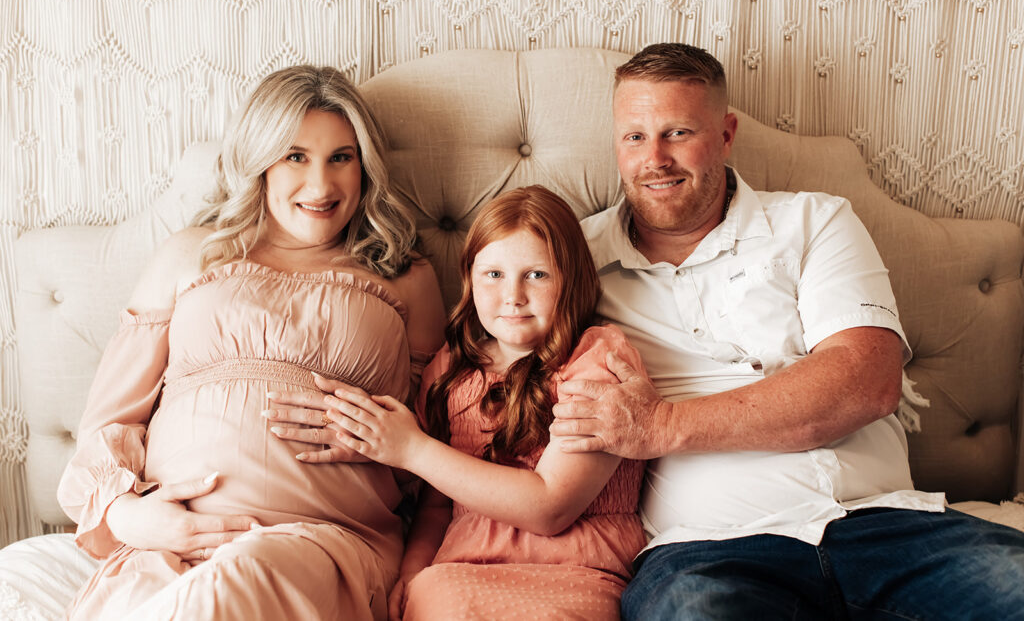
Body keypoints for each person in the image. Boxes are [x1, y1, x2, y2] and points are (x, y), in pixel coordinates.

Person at [549, 43, 1024, 620]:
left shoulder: (814, 220)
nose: (655, 158)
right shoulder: (573, 258)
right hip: (708, 550)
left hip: (885, 525)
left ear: (726, 135)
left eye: (677, 133)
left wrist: (660, 425)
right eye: (634, 137)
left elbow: (867, 381)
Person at [56, 65, 446, 620]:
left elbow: (437, 452)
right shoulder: (190, 254)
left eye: (342, 157)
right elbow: (107, 425)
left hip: (322, 544)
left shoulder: (405, 277)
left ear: (365, 167)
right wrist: (129, 517)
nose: (321, 186)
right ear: (259, 161)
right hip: (173, 542)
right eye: (295, 156)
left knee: (234, 582)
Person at [290, 185, 648, 620]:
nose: (513, 296)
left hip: (574, 572)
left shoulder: (597, 360)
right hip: (460, 571)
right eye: (493, 275)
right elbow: (437, 505)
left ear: (571, 280)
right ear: (469, 278)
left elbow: (550, 507)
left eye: (537, 275)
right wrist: (412, 573)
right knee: (435, 596)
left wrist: (412, 449)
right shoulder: (451, 370)